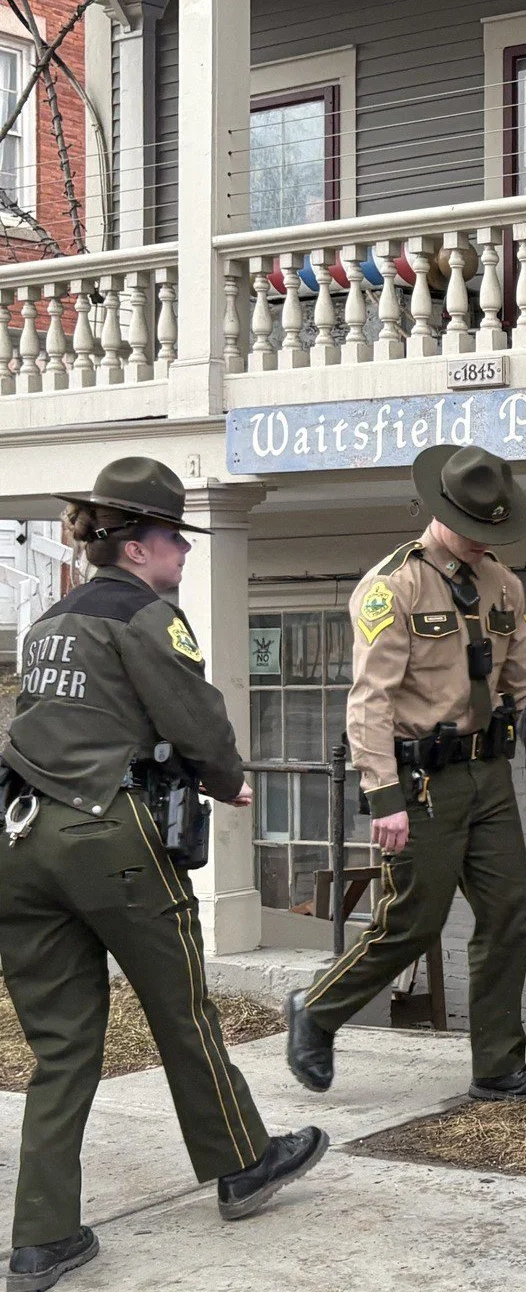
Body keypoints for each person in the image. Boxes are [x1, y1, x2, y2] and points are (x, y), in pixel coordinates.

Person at [0, 459, 327, 1292]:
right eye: (177, 539)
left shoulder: (49, 623)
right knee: (181, 1009)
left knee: (63, 1046)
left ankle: (43, 1238)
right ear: (142, 545)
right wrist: (225, 777)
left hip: (21, 839)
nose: (183, 553)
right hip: (108, 835)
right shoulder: (148, 616)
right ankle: (245, 1164)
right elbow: (196, 719)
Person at [283, 445, 526, 1104]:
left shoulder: (503, 584)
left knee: (509, 916)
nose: (484, 541)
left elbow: (522, 682)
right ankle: (316, 1011)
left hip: (488, 774)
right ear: (443, 511)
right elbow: (369, 701)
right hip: (422, 784)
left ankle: (497, 1066)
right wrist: (383, 798)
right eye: (476, 528)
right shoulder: (393, 586)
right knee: (411, 924)